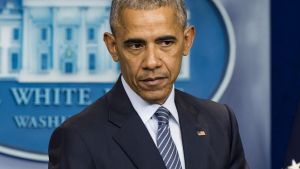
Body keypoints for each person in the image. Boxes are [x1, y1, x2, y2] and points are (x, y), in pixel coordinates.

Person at [48, 0, 249, 169]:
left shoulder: (220, 122)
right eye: (136, 45)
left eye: (166, 43)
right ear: (113, 46)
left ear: (187, 40)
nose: (151, 62)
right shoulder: (77, 138)